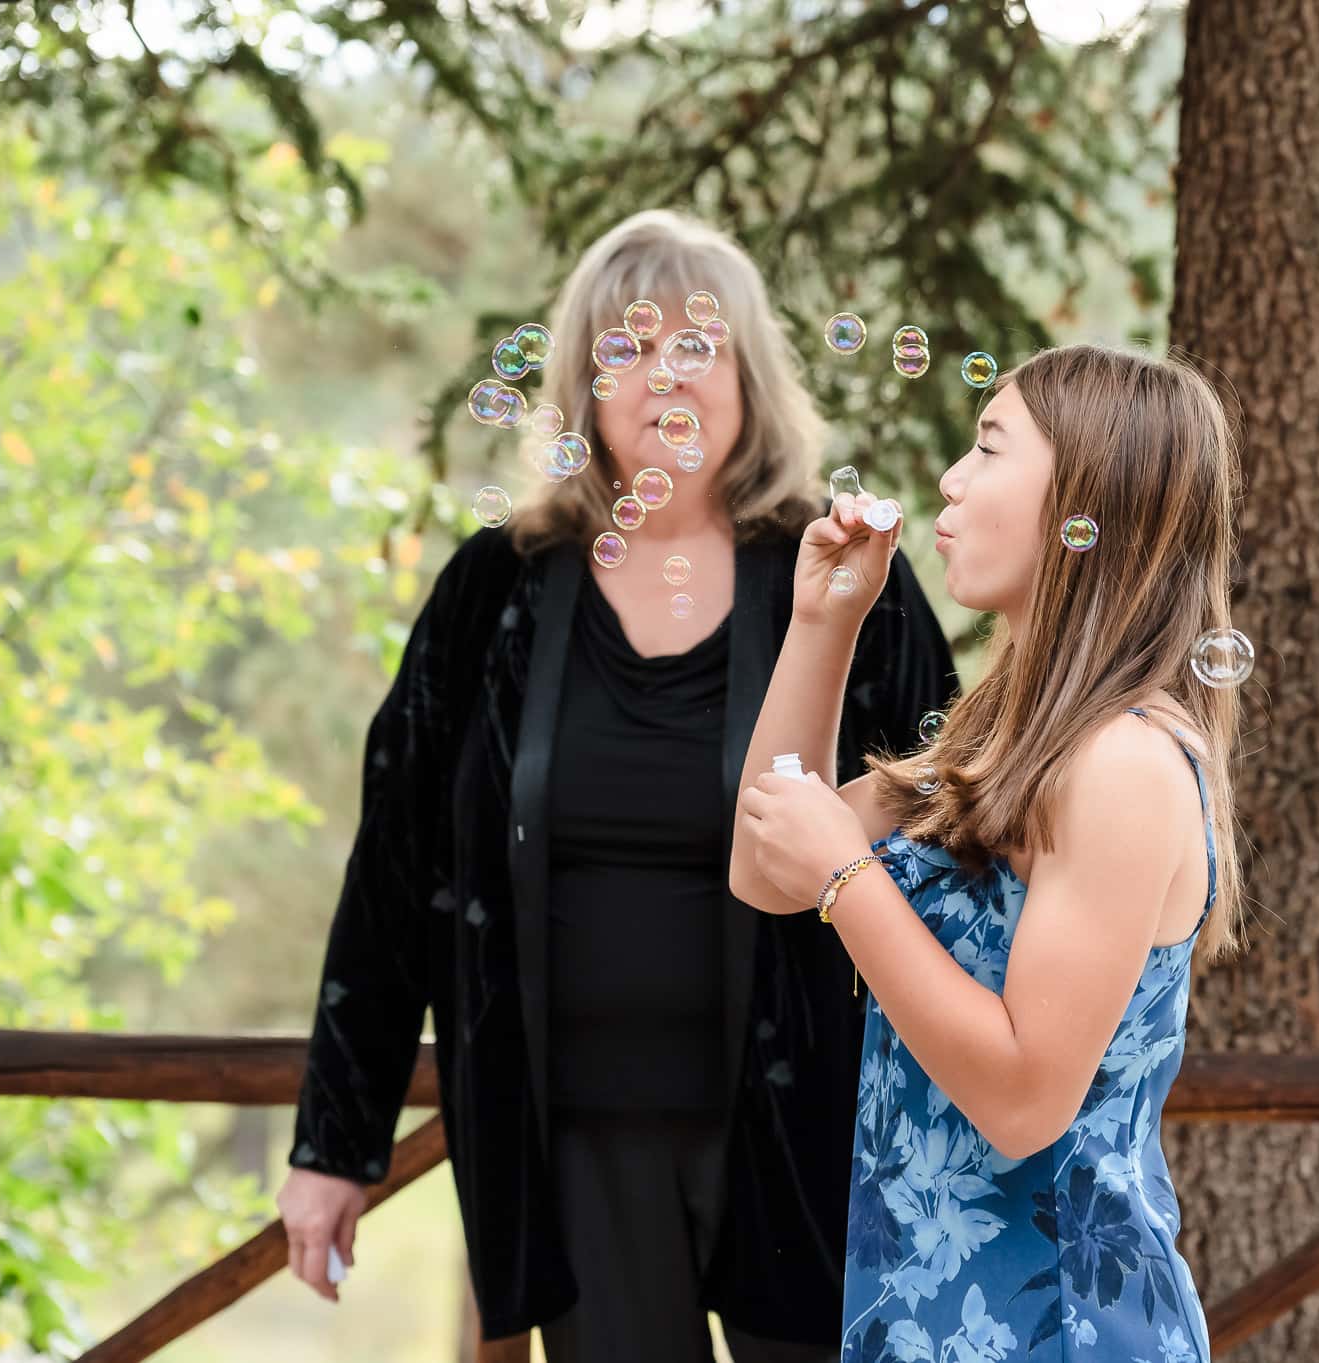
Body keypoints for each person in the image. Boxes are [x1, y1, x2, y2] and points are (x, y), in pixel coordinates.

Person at [275, 209, 958, 1362]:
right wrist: (334, 1145)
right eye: (631, 346)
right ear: (581, 389)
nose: (666, 373)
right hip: (573, 1141)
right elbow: (394, 874)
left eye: (702, 343)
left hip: (814, 1134)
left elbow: (946, 830)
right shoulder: (496, 589)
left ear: (751, 379)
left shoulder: (847, 580)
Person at [730, 343, 1246, 1362]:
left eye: (986, 447)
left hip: (1056, 1331)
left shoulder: (1124, 764)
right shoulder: (999, 743)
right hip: (923, 1317)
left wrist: (849, 877)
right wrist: (822, 624)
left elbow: (1022, 1100)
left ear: (1082, 504)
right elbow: (766, 858)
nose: (948, 481)